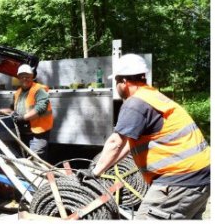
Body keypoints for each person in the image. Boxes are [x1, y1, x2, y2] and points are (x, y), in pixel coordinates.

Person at [87, 54, 210, 219]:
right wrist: (102, 169)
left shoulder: (135, 103)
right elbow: (126, 144)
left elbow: (116, 142)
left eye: (116, 81)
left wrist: (94, 174)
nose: (116, 86)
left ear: (124, 81)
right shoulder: (151, 96)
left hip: (179, 179)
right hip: (200, 176)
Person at [0, 64, 53, 161]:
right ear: (19, 78)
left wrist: (22, 118)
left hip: (38, 133)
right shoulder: (18, 93)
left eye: (27, 77)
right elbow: (12, 110)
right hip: (24, 133)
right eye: (22, 77)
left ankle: (40, 176)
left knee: (37, 162)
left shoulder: (39, 90)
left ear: (32, 77)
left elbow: (40, 108)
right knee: (27, 161)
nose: (25, 79)